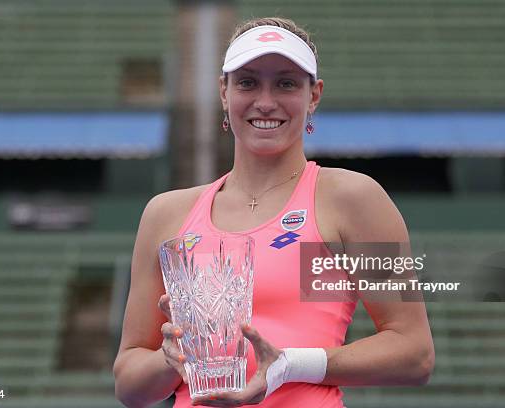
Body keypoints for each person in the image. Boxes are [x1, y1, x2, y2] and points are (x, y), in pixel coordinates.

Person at [113, 17, 435, 408]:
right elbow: (129, 385)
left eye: (286, 83)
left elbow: (414, 353)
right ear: (223, 92)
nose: (266, 102)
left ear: (313, 95)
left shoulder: (352, 198)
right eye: (247, 82)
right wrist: (172, 360)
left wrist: (291, 364)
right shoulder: (165, 214)